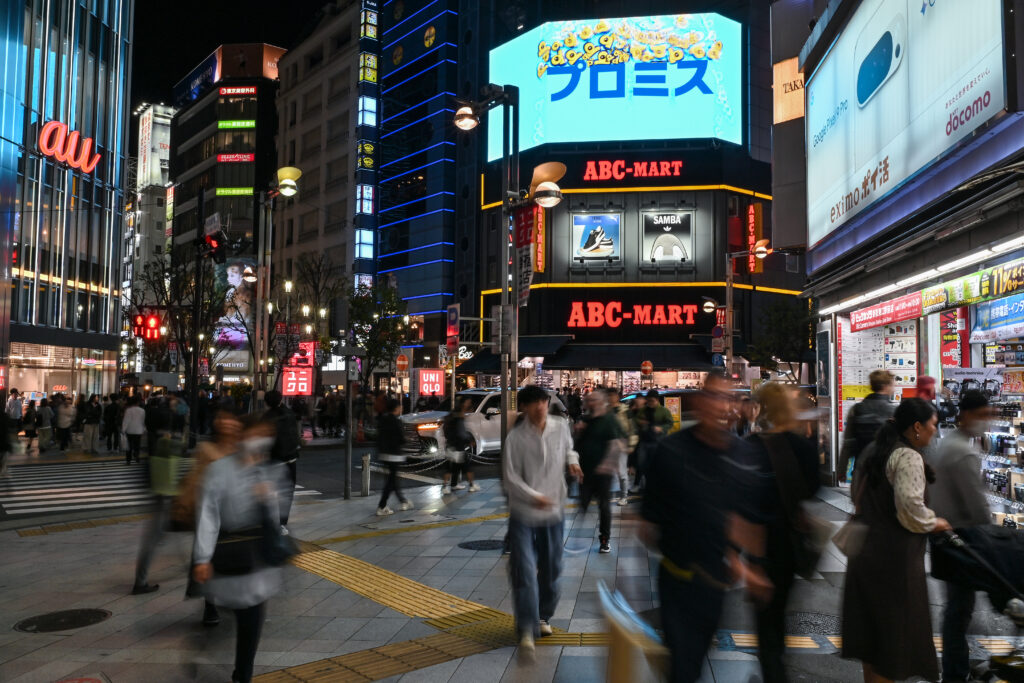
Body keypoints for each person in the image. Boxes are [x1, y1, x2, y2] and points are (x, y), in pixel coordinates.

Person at [640, 370, 772, 683]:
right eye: (714, 396)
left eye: (729, 398)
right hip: (677, 580)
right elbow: (648, 524)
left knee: (694, 660)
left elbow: (750, 517)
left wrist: (750, 565)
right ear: (700, 402)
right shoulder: (671, 451)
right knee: (683, 667)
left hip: (716, 586)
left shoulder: (744, 455)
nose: (722, 406)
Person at [841, 398, 951, 683]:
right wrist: (936, 522)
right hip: (893, 565)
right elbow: (910, 510)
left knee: (872, 644)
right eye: (933, 425)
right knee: (891, 648)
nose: (935, 431)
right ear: (917, 427)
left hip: (865, 557)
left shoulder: (877, 449)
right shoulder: (908, 457)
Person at [192, 415, 284, 683]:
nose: (261, 440)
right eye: (257, 434)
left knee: (251, 619)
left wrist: (268, 498)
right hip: (229, 550)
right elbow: (208, 514)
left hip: (257, 556)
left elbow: (276, 517)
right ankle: (205, 648)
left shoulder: (268, 469)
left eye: (266, 435)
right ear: (244, 436)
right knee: (233, 609)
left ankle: (243, 674)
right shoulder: (219, 470)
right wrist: (202, 558)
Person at [746, 383, 820, 683]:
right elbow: (813, 489)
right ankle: (776, 669)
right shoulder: (802, 445)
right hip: (789, 542)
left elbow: (742, 499)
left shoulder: (752, 447)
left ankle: (773, 673)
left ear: (760, 410)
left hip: (759, 544)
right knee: (779, 612)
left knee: (766, 623)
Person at [503, 384, 583, 658]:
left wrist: (573, 461)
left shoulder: (560, 426)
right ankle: (526, 626)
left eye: (543, 401)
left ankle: (542, 616)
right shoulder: (515, 438)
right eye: (533, 403)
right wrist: (534, 496)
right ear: (524, 407)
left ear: (548, 403)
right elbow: (510, 477)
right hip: (524, 513)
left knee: (552, 566)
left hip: (553, 510)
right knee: (524, 569)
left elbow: (569, 448)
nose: (539, 407)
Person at [928, 389, 994, 683]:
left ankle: (957, 668)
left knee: (956, 608)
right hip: (962, 540)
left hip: (946, 537)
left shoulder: (947, 443)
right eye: (982, 415)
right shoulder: (964, 452)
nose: (986, 421)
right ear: (965, 415)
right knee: (959, 610)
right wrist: (995, 538)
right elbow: (977, 508)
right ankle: (955, 672)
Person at [574, 389, 625, 554]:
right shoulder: (585, 419)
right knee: (583, 503)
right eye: (588, 400)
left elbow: (617, 443)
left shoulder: (609, 420)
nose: (590, 403)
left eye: (594, 400)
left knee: (604, 506)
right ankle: (578, 538)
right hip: (585, 471)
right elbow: (577, 444)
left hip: (603, 473)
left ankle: (604, 540)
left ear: (602, 402)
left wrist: (608, 463)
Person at [839, 370, 896, 484]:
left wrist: (842, 469)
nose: (894, 389)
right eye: (893, 385)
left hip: (862, 469)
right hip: (886, 470)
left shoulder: (856, 409)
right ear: (885, 386)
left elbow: (848, 442)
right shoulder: (894, 411)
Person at [263, 389, 301, 528]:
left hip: (274, 460)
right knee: (287, 492)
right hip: (290, 459)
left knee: (268, 492)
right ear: (280, 400)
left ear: (267, 403)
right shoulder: (289, 414)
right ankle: (282, 523)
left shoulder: (266, 417)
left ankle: (268, 520)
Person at [376, 398, 412, 515]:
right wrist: (406, 439)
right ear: (396, 408)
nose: (401, 408)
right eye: (400, 407)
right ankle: (382, 506)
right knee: (391, 482)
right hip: (395, 455)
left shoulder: (383, 419)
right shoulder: (397, 421)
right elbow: (401, 438)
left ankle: (403, 501)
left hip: (384, 454)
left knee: (392, 480)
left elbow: (379, 437)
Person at [442, 397, 479, 495]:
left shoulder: (452, 416)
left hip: (450, 444)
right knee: (466, 467)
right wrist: (469, 440)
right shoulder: (458, 418)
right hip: (458, 446)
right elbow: (461, 433)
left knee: (452, 467)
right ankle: (471, 485)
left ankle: (450, 485)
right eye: (467, 402)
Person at [607, 387, 636, 505]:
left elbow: (632, 428)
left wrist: (632, 444)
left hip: (621, 443)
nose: (611, 398)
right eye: (609, 396)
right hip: (607, 443)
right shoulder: (605, 410)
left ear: (617, 396)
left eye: (613, 395)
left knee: (621, 471)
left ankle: (624, 496)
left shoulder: (625, 410)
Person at [122, 397, 146, 465]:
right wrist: (144, 429)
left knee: (129, 446)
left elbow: (126, 421)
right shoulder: (142, 410)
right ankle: (137, 456)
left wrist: (123, 429)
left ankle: (128, 460)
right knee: (137, 445)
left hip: (130, 430)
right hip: (138, 430)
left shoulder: (128, 410)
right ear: (138, 402)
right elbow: (143, 421)